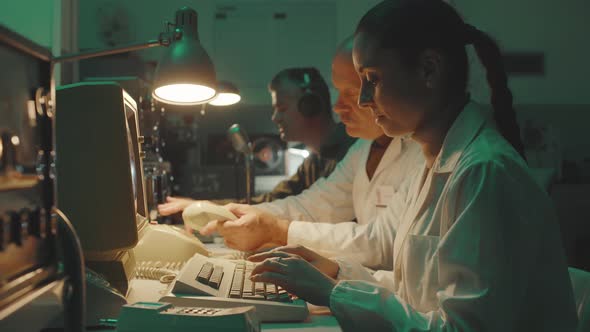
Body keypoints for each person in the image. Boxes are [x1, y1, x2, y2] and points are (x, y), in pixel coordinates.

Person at [231, 0, 578, 331]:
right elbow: (414, 290)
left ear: (429, 69)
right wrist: (335, 272)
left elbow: (461, 327)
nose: (364, 100)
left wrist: (333, 293)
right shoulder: (434, 161)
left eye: (373, 79)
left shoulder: (484, 172)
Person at [200, 37, 424, 272]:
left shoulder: (423, 151)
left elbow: (382, 244)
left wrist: (278, 230)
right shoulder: (363, 148)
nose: (338, 107)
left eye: (353, 90)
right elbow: (313, 205)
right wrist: (246, 214)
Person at [158, 67, 356, 215]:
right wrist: (204, 207)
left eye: (282, 108)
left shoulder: (351, 153)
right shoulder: (313, 161)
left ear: (310, 106)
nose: (275, 118)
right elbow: (270, 201)